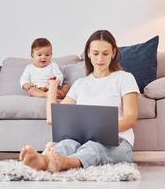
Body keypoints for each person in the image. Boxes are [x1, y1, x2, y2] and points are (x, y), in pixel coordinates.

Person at [19, 30, 139, 172]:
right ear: (88, 53)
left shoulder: (124, 78)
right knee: (67, 144)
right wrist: (52, 87)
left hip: (118, 142)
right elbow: (53, 118)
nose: (100, 59)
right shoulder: (80, 84)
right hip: (83, 139)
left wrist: (102, 130)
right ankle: (42, 160)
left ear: (113, 53)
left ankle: (63, 162)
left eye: (105, 54)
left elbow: (131, 118)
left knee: (94, 148)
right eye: (95, 53)